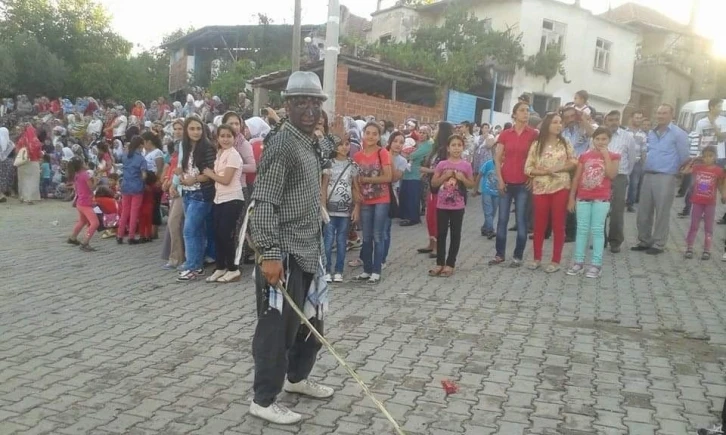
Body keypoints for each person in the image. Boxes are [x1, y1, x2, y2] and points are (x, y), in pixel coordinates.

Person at [248, 71, 335, 424]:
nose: (310, 109)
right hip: (282, 252)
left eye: (315, 103)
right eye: (301, 102)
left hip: (308, 248)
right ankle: (264, 399)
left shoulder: (308, 140)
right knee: (276, 329)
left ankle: (297, 379)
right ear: (287, 105)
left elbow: (330, 147)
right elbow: (264, 202)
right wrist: (269, 253)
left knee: (310, 323)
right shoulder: (282, 143)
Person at [632, 104, 690, 255]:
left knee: (662, 211)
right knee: (644, 210)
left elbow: (684, 156)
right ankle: (644, 240)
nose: (660, 116)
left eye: (664, 113)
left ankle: (658, 244)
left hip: (666, 176)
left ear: (672, 115)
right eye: (658, 113)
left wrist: (675, 170)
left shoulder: (678, 134)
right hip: (648, 175)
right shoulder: (651, 133)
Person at [524, 113, 576, 272]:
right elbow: (528, 168)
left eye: (560, 122)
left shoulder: (565, 143)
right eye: (555, 122)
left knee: (558, 224)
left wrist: (558, 169)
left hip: (561, 187)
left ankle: (555, 260)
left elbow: (574, 161)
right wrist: (545, 172)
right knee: (539, 224)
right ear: (547, 124)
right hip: (541, 188)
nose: (559, 125)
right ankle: (536, 258)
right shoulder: (536, 145)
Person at [489, 102, 539, 267]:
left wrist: (532, 178)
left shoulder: (533, 134)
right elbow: (497, 157)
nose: (526, 114)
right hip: (506, 182)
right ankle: (499, 254)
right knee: (502, 219)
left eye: (527, 111)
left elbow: (536, 158)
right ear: (514, 114)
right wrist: (500, 179)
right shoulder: (505, 134)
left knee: (521, 220)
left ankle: (518, 256)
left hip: (523, 183)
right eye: (522, 111)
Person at [566, 128, 620, 278]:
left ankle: (596, 264)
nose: (600, 142)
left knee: (597, 230)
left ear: (609, 140)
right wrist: (572, 197)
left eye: (604, 139)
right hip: (583, 197)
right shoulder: (584, 156)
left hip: (601, 199)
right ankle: (578, 262)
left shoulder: (614, 156)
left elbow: (611, 174)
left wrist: (605, 156)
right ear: (593, 140)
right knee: (582, 230)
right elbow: (577, 178)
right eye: (597, 139)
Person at [202, 124, 245, 283]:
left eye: (229, 136)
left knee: (226, 235)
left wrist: (210, 174)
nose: (225, 139)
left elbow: (226, 180)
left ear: (234, 138)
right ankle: (220, 266)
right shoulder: (220, 153)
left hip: (233, 198)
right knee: (217, 234)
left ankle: (233, 269)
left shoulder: (233, 155)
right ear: (217, 138)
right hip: (219, 198)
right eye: (222, 136)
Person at [428, 134, 475, 277]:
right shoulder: (442, 164)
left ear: (463, 147)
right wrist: (444, 176)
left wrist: (462, 178)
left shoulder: (466, 165)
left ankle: (450, 264)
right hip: (442, 205)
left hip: (457, 206)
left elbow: (471, 184)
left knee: (455, 234)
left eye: (459, 145)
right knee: (441, 234)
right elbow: (434, 183)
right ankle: (439, 263)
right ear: (448, 148)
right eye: (453, 145)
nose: (456, 148)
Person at [353, 122, 393, 283]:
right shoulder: (357, 156)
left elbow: (388, 177)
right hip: (365, 200)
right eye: (367, 133)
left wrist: (367, 179)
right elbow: (354, 179)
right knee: (366, 236)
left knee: (378, 235)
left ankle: (377, 270)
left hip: (381, 199)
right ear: (363, 134)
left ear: (379, 136)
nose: (370, 136)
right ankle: (366, 270)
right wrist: (356, 193)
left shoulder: (382, 153)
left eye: (374, 133)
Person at [322, 135, 359, 283]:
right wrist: (322, 205)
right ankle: (326, 269)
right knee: (328, 240)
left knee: (342, 240)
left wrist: (357, 207)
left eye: (347, 144)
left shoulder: (353, 166)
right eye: (340, 144)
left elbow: (355, 188)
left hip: (345, 209)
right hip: (330, 208)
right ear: (334, 147)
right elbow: (324, 186)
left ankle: (339, 270)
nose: (344, 147)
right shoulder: (328, 164)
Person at [680, 146, 726, 260]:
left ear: (715, 157)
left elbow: (722, 184)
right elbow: (684, 171)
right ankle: (689, 247)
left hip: (710, 203)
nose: (707, 158)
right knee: (694, 225)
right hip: (697, 202)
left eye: (710, 156)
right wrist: (693, 161)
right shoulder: (697, 167)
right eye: (705, 156)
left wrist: (724, 195)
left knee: (708, 227)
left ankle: (707, 249)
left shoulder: (718, 171)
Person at [602, 110, 637, 253]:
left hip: (620, 177)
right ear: (606, 121)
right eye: (611, 119)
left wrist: (625, 175)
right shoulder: (600, 136)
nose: (614, 122)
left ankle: (615, 241)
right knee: (601, 210)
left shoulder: (627, 137)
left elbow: (632, 159)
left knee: (617, 211)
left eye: (616, 119)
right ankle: (600, 239)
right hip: (602, 177)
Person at [116, 136, 147, 244]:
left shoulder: (125, 156)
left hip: (125, 185)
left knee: (125, 211)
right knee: (134, 212)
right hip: (137, 186)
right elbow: (143, 176)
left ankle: (119, 235)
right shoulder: (141, 159)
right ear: (141, 145)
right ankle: (131, 236)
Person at [66, 158, 99, 252]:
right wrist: (96, 181)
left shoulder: (76, 175)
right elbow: (91, 188)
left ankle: (73, 238)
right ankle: (85, 242)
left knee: (82, 221)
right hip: (86, 203)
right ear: (81, 165)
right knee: (95, 223)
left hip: (80, 202)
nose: (86, 164)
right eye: (84, 163)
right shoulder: (85, 175)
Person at [626, 110, 648, 212]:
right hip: (625, 162)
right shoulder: (625, 132)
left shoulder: (643, 134)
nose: (638, 120)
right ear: (632, 118)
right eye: (636, 118)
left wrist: (644, 164)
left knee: (634, 184)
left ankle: (630, 204)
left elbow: (644, 150)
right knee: (622, 183)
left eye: (640, 118)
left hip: (637, 162)